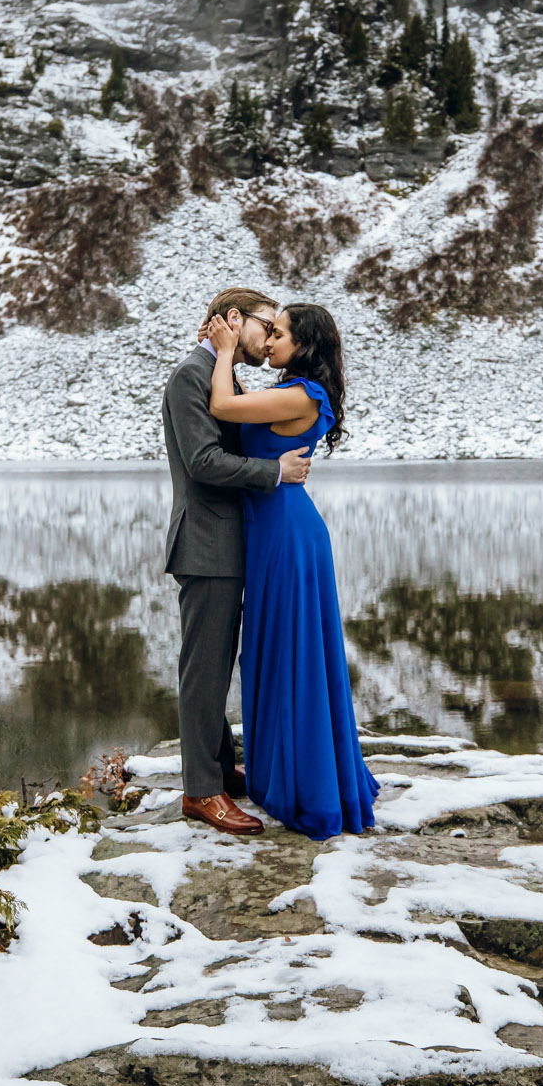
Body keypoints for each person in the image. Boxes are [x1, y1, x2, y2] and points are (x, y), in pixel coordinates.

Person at [200, 302, 377, 840]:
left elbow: (224, 406)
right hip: (273, 532)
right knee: (275, 651)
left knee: (290, 653)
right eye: (269, 331)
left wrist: (226, 353)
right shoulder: (292, 391)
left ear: (304, 344)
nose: (270, 341)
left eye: (278, 334)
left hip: (287, 536)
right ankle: (286, 773)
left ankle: (308, 785)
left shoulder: (302, 394)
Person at [160, 288, 311, 836]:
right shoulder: (189, 377)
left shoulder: (221, 374)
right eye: (265, 325)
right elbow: (202, 462)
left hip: (229, 543)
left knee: (217, 661)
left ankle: (220, 768)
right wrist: (274, 474)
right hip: (206, 544)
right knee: (204, 667)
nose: (269, 337)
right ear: (232, 319)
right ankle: (201, 792)